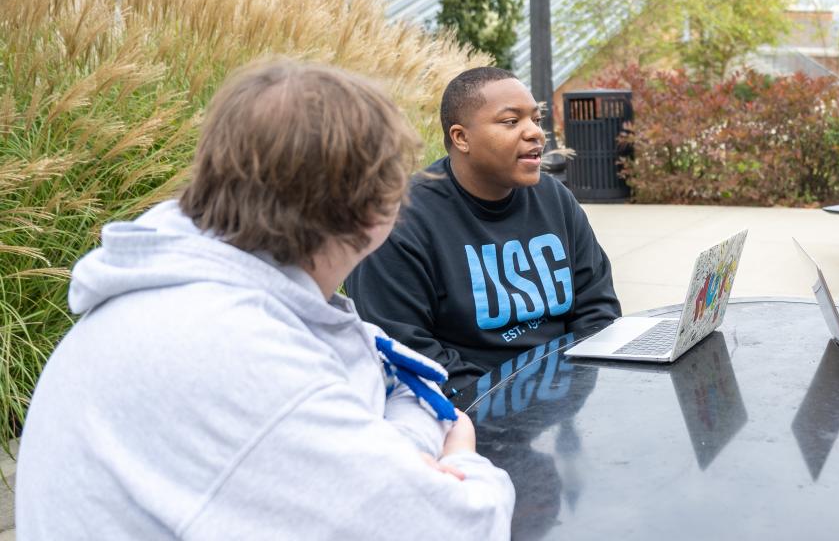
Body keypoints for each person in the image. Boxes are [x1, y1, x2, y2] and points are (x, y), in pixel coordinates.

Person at [15, 61, 516, 538]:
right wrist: (461, 458)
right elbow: (456, 524)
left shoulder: (201, 290)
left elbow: (404, 384)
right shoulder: (226, 344)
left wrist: (399, 450)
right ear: (374, 209)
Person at [346, 67, 621, 397]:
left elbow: (597, 308)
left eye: (535, 118)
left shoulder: (554, 198)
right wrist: (497, 408)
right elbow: (407, 351)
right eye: (510, 121)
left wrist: (577, 384)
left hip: (563, 396)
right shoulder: (400, 221)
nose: (535, 133)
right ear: (462, 137)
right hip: (468, 416)